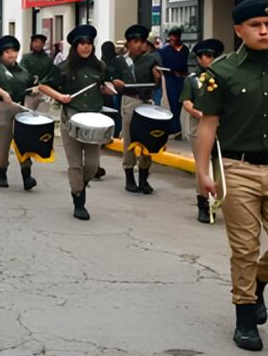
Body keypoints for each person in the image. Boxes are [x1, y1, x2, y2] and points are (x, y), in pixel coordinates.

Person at [195, 0, 268, 352]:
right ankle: (244, 318)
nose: (263, 30)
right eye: (255, 25)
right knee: (244, 247)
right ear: (239, 30)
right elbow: (208, 125)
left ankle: (257, 284)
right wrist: (201, 171)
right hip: (235, 167)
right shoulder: (222, 73)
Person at [39, 25, 112, 220]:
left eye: (89, 44)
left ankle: (81, 184)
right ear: (75, 46)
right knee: (75, 164)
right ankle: (78, 199)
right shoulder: (64, 67)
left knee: (92, 165)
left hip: (93, 122)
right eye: (82, 44)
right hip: (70, 119)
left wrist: (108, 89)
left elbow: (106, 85)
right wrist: (60, 96)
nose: (86, 47)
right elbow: (44, 86)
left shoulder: (100, 67)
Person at [110, 24, 162, 194]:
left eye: (142, 41)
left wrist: (157, 78)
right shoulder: (119, 61)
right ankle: (129, 177)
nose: (139, 45)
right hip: (130, 100)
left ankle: (144, 178)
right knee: (129, 140)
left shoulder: (152, 59)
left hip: (146, 101)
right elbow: (113, 83)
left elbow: (157, 85)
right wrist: (116, 84)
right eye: (135, 41)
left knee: (148, 140)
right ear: (128, 43)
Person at [0, 35, 40, 191]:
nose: (11, 54)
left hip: (19, 107)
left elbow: (32, 88)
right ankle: (2, 172)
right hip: (1, 107)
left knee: (25, 140)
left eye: (14, 51)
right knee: (3, 142)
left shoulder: (23, 71)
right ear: (1, 54)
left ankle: (27, 175)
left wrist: (36, 91)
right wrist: (2, 93)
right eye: (7, 51)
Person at [180, 38, 224, 223]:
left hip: (222, 127)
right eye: (206, 56)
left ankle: (221, 199)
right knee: (203, 166)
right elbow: (187, 103)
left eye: (213, 56)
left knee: (221, 166)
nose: (210, 59)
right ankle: (203, 204)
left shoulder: (224, 77)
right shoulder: (192, 80)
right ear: (198, 59)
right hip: (200, 126)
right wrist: (203, 114)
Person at [158, 27, 190, 135]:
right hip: (171, 78)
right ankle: (175, 128)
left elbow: (186, 64)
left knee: (181, 101)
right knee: (173, 101)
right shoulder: (165, 51)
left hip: (183, 78)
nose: (174, 38)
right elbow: (163, 66)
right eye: (172, 35)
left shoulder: (184, 49)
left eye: (176, 35)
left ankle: (177, 127)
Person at [21, 33, 55, 112]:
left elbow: (51, 74)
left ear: (43, 44)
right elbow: (22, 71)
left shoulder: (48, 59)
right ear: (32, 43)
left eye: (40, 42)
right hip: (30, 91)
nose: (38, 44)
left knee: (43, 116)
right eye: (35, 42)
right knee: (28, 114)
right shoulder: (26, 57)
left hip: (45, 91)